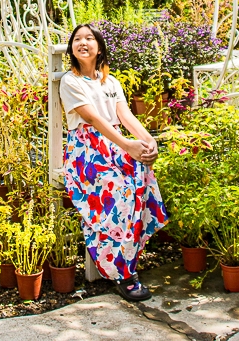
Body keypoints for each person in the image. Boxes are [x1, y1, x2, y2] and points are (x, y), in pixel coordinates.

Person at [59, 23, 168, 302]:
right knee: (121, 194)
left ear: (99, 46)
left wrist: (146, 140)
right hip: (87, 153)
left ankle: (127, 257)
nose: (82, 43)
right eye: (77, 39)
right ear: (72, 48)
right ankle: (122, 272)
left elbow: (126, 115)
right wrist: (128, 145)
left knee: (143, 179)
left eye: (89, 38)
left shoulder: (111, 82)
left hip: (114, 145)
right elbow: (93, 119)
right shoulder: (71, 81)